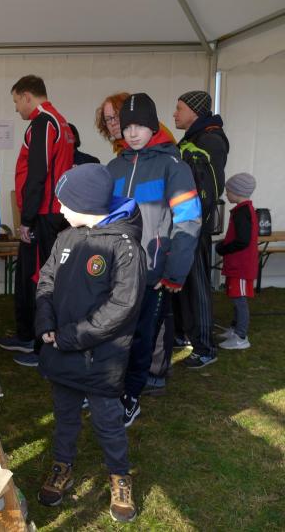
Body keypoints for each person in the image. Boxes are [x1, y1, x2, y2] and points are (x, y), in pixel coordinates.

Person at [35, 163, 145, 523]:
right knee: (65, 415)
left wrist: (71, 336)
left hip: (101, 357)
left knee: (108, 421)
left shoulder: (124, 247)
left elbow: (122, 307)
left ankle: (119, 476)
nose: (60, 209)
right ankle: (62, 466)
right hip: (62, 351)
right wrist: (46, 322)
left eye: (65, 203)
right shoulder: (66, 238)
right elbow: (47, 280)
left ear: (87, 205)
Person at [107, 93, 201, 426]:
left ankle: (131, 396)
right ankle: (108, 388)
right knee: (110, 334)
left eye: (140, 126)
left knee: (141, 336)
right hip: (115, 272)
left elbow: (188, 220)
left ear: (153, 126)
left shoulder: (173, 167)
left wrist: (174, 271)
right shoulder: (114, 167)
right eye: (127, 126)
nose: (132, 133)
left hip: (152, 272)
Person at [0, 75, 74, 366]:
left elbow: (37, 174)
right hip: (48, 213)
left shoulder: (44, 122)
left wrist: (27, 219)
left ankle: (44, 348)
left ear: (27, 96)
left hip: (44, 214)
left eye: (16, 101)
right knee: (30, 276)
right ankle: (27, 335)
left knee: (41, 280)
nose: (16, 108)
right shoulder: (59, 121)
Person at [173, 90, 231, 368]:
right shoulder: (194, 138)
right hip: (185, 222)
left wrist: (194, 220)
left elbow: (209, 188)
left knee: (197, 286)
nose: (175, 114)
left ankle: (205, 347)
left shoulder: (209, 140)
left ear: (195, 112)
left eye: (179, 108)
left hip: (194, 225)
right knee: (183, 283)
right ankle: (186, 334)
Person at [215, 173, 258, 350]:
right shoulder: (243, 210)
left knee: (239, 300)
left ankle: (241, 337)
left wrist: (223, 248)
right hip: (238, 265)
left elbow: (242, 241)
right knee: (235, 297)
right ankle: (234, 329)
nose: (226, 194)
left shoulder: (242, 213)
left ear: (237, 192)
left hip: (241, 266)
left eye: (228, 191)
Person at [95, 92, 176, 155]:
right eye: (108, 119)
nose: (113, 123)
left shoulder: (160, 142)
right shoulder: (121, 145)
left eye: (117, 116)